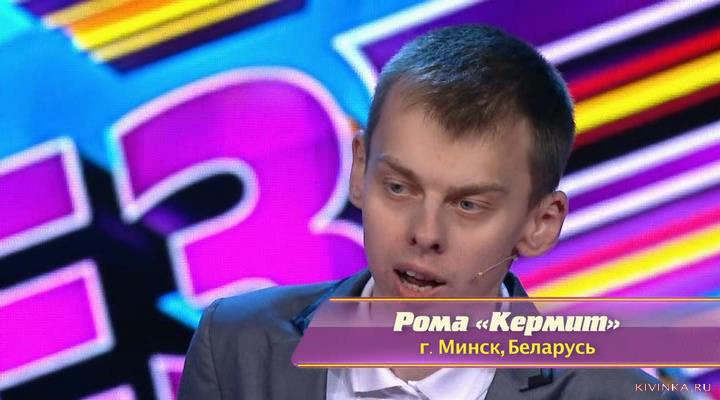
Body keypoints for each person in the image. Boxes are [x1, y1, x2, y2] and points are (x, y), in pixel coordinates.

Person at [178, 25, 677, 399]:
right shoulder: (236, 347)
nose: (425, 232)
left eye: (468, 205)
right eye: (399, 188)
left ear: (539, 224)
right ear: (360, 170)